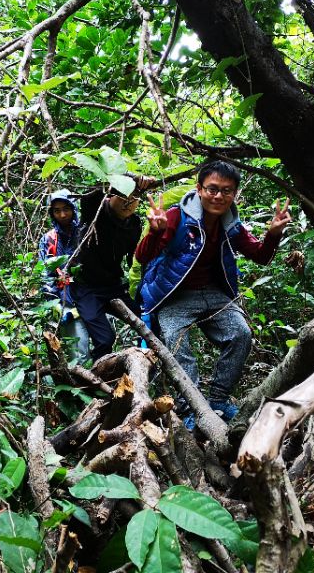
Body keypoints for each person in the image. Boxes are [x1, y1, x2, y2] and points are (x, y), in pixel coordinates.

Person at [135, 160, 291, 429]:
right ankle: (190, 409)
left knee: (241, 334)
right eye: (212, 189)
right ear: (199, 189)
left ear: (235, 194)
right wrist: (155, 232)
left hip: (214, 293)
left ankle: (217, 400)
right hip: (176, 295)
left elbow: (260, 256)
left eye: (227, 191)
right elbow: (143, 256)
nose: (219, 196)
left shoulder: (231, 224)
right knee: (175, 342)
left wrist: (273, 234)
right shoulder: (176, 216)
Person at [70, 176, 154, 360]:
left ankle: (144, 365)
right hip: (86, 288)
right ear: (112, 194)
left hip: (114, 286)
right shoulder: (96, 209)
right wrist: (131, 178)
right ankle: (97, 378)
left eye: (134, 198)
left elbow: (135, 261)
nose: (128, 202)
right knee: (105, 339)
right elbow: (91, 192)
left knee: (148, 321)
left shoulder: (133, 224)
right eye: (123, 195)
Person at [38, 190, 89, 363]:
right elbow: (44, 274)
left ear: (74, 209)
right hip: (65, 302)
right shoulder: (49, 239)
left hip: (90, 297)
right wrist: (56, 305)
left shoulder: (85, 233)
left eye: (66, 209)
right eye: (57, 210)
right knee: (79, 353)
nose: (62, 214)